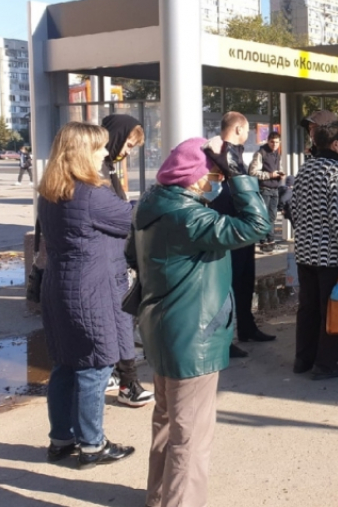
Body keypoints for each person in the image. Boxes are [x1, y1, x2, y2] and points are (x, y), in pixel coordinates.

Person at [127, 136, 269, 507]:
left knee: (166, 423)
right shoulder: (190, 216)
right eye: (214, 175)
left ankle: (158, 497)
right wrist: (241, 178)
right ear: (194, 178)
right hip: (193, 337)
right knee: (191, 437)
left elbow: (131, 255)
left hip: (162, 328)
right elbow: (257, 224)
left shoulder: (152, 205)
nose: (217, 181)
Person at [37, 121, 135, 468]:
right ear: (82, 154)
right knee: (95, 365)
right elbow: (132, 218)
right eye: (100, 148)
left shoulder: (51, 191)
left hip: (59, 288)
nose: (107, 153)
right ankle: (92, 445)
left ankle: (61, 440)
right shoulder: (92, 195)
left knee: (65, 364)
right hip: (89, 290)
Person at [291, 122, 338, 379]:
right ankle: (326, 363)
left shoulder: (306, 168)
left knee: (307, 307)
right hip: (330, 253)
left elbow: (294, 210)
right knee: (330, 309)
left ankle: (303, 359)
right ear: (335, 144)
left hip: (305, 250)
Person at [98, 114, 155, 407]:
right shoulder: (98, 173)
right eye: (128, 145)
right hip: (105, 263)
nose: (128, 152)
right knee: (120, 322)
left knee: (118, 323)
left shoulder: (107, 171)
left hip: (112, 260)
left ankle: (120, 377)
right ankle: (128, 383)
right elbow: (116, 215)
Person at [210, 112, 275, 357]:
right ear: (238, 129)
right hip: (230, 226)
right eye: (247, 130)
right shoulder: (221, 152)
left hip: (242, 224)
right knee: (230, 283)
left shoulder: (233, 153)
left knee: (246, 278)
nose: (248, 135)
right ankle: (225, 338)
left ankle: (247, 327)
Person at [248, 131, 283, 251]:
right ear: (268, 141)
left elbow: (277, 169)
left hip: (275, 189)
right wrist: (270, 175)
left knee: (272, 217)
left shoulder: (277, 154)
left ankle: (271, 241)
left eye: (277, 142)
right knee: (263, 216)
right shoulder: (260, 153)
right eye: (272, 142)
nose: (274, 144)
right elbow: (253, 172)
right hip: (264, 189)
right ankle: (263, 242)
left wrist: (280, 174)